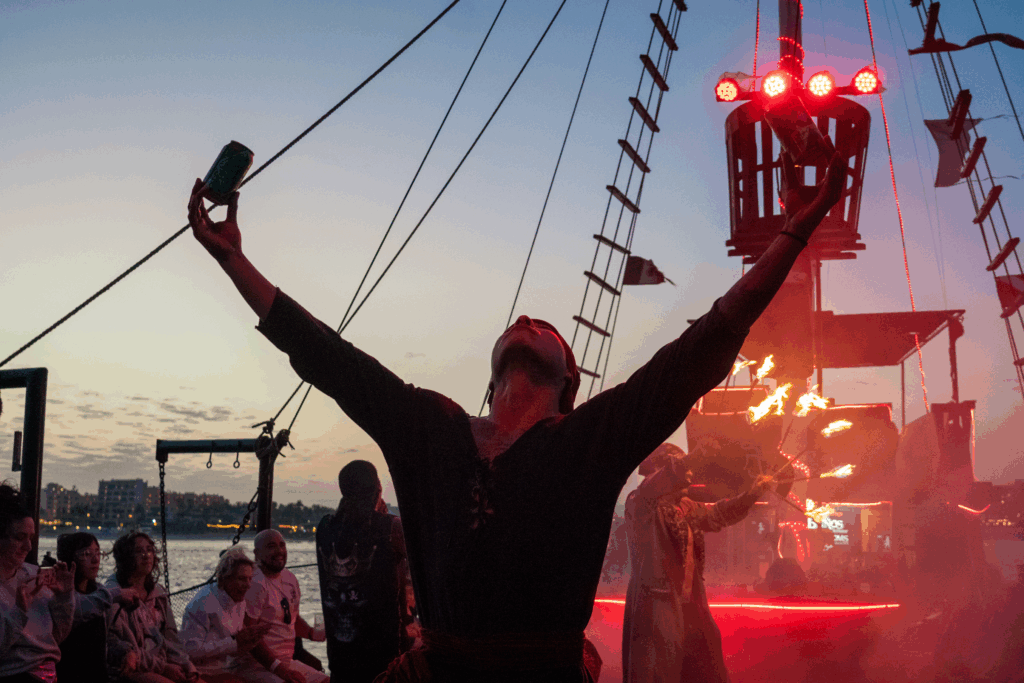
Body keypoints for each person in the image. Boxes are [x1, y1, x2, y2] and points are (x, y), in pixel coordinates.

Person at [187, 148, 847, 681]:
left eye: (548, 330)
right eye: (521, 323)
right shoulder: (431, 426)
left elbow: (699, 352)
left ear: (568, 383)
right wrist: (232, 259)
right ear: (495, 369)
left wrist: (795, 231)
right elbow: (327, 357)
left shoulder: (589, 441)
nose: (530, 318)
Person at [621, 444, 775, 683]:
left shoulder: (687, 508)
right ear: (660, 471)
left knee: (703, 668)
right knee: (658, 673)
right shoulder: (641, 504)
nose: (690, 473)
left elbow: (720, 513)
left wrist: (752, 494)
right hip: (656, 603)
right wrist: (691, 459)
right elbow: (652, 489)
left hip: (690, 605)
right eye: (679, 465)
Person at [315, 460, 408, 683]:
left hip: (340, 653)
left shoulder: (325, 527)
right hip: (383, 656)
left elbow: (354, 525)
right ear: (378, 488)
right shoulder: (391, 527)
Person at [0, 482, 77, 683]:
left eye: (31, 537)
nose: (28, 546)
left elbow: (57, 636)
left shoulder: (33, 575)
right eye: (20, 537)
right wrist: (19, 611)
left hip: (49, 673)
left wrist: (64, 597)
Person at [106, 531, 201, 683]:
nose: (146, 555)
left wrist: (187, 665)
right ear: (126, 557)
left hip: (162, 664)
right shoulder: (114, 596)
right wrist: (163, 668)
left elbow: (171, 638)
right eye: (138, 551)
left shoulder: (159, 595)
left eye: (149, 550)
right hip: (131, 669)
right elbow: (117, 645)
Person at [55, 532, 143, 682]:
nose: (95, 559)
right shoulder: (60, 593)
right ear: (70, 558)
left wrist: (126, 652)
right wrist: (114, 595)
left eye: (98, 552)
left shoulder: (98, 591)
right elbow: (76, 609)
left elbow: (107, 638)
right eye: (87, 554)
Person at [180, 547, 275, 683]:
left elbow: (235, 644)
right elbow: (190, 651)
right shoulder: (202, 605)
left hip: (231, 668)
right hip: (203, 673)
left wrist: (249, 641)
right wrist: (234, 642)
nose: (248, 585)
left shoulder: (239, 601)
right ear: (225, 579)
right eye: (242, 579)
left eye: (249, 579)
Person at [245, 531, 328, 683]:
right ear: (257, 553)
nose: (279, 551)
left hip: (286, 661)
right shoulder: (255, 584)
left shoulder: (290, 579)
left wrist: (313, 633)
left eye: (282, 545)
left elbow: (290, 619)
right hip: (256, 666)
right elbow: (248, 637)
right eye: (271, 546)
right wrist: (278, 668)